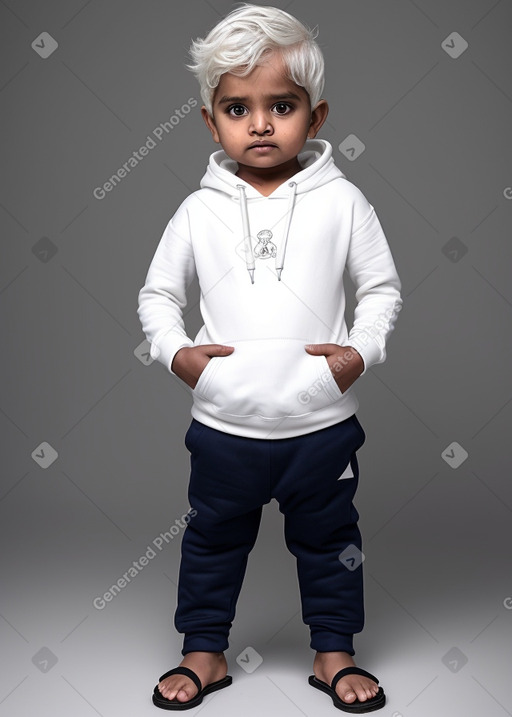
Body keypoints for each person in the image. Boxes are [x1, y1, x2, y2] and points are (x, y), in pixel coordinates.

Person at [137, 3, 402, 712]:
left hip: (321, 424)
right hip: (226, 424)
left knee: (332, 542)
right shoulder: (199, 210)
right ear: (210, 120)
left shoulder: (343, 202)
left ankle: (335, 652)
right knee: (212, 543)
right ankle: (204, 653)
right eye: (237, 107)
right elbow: (158, 295)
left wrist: (356, 356)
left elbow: (380, 289)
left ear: (315, 117)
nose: (260, 124)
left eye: (280, 105)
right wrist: (182, 357)